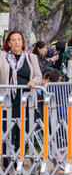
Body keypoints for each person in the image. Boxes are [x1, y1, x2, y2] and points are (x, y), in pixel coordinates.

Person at [0, 31, 42, 162]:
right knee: (7, 132)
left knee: (23, 133)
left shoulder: (31, 58)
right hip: (8, 101)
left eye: (19, 39)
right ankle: (7, 161)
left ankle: (20, 160)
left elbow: (38, 76)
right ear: (8, 43)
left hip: (26, 101)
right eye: (13, 40)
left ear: (23, 42)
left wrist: (34, 82)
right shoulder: (3, 57)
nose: (17, 42)